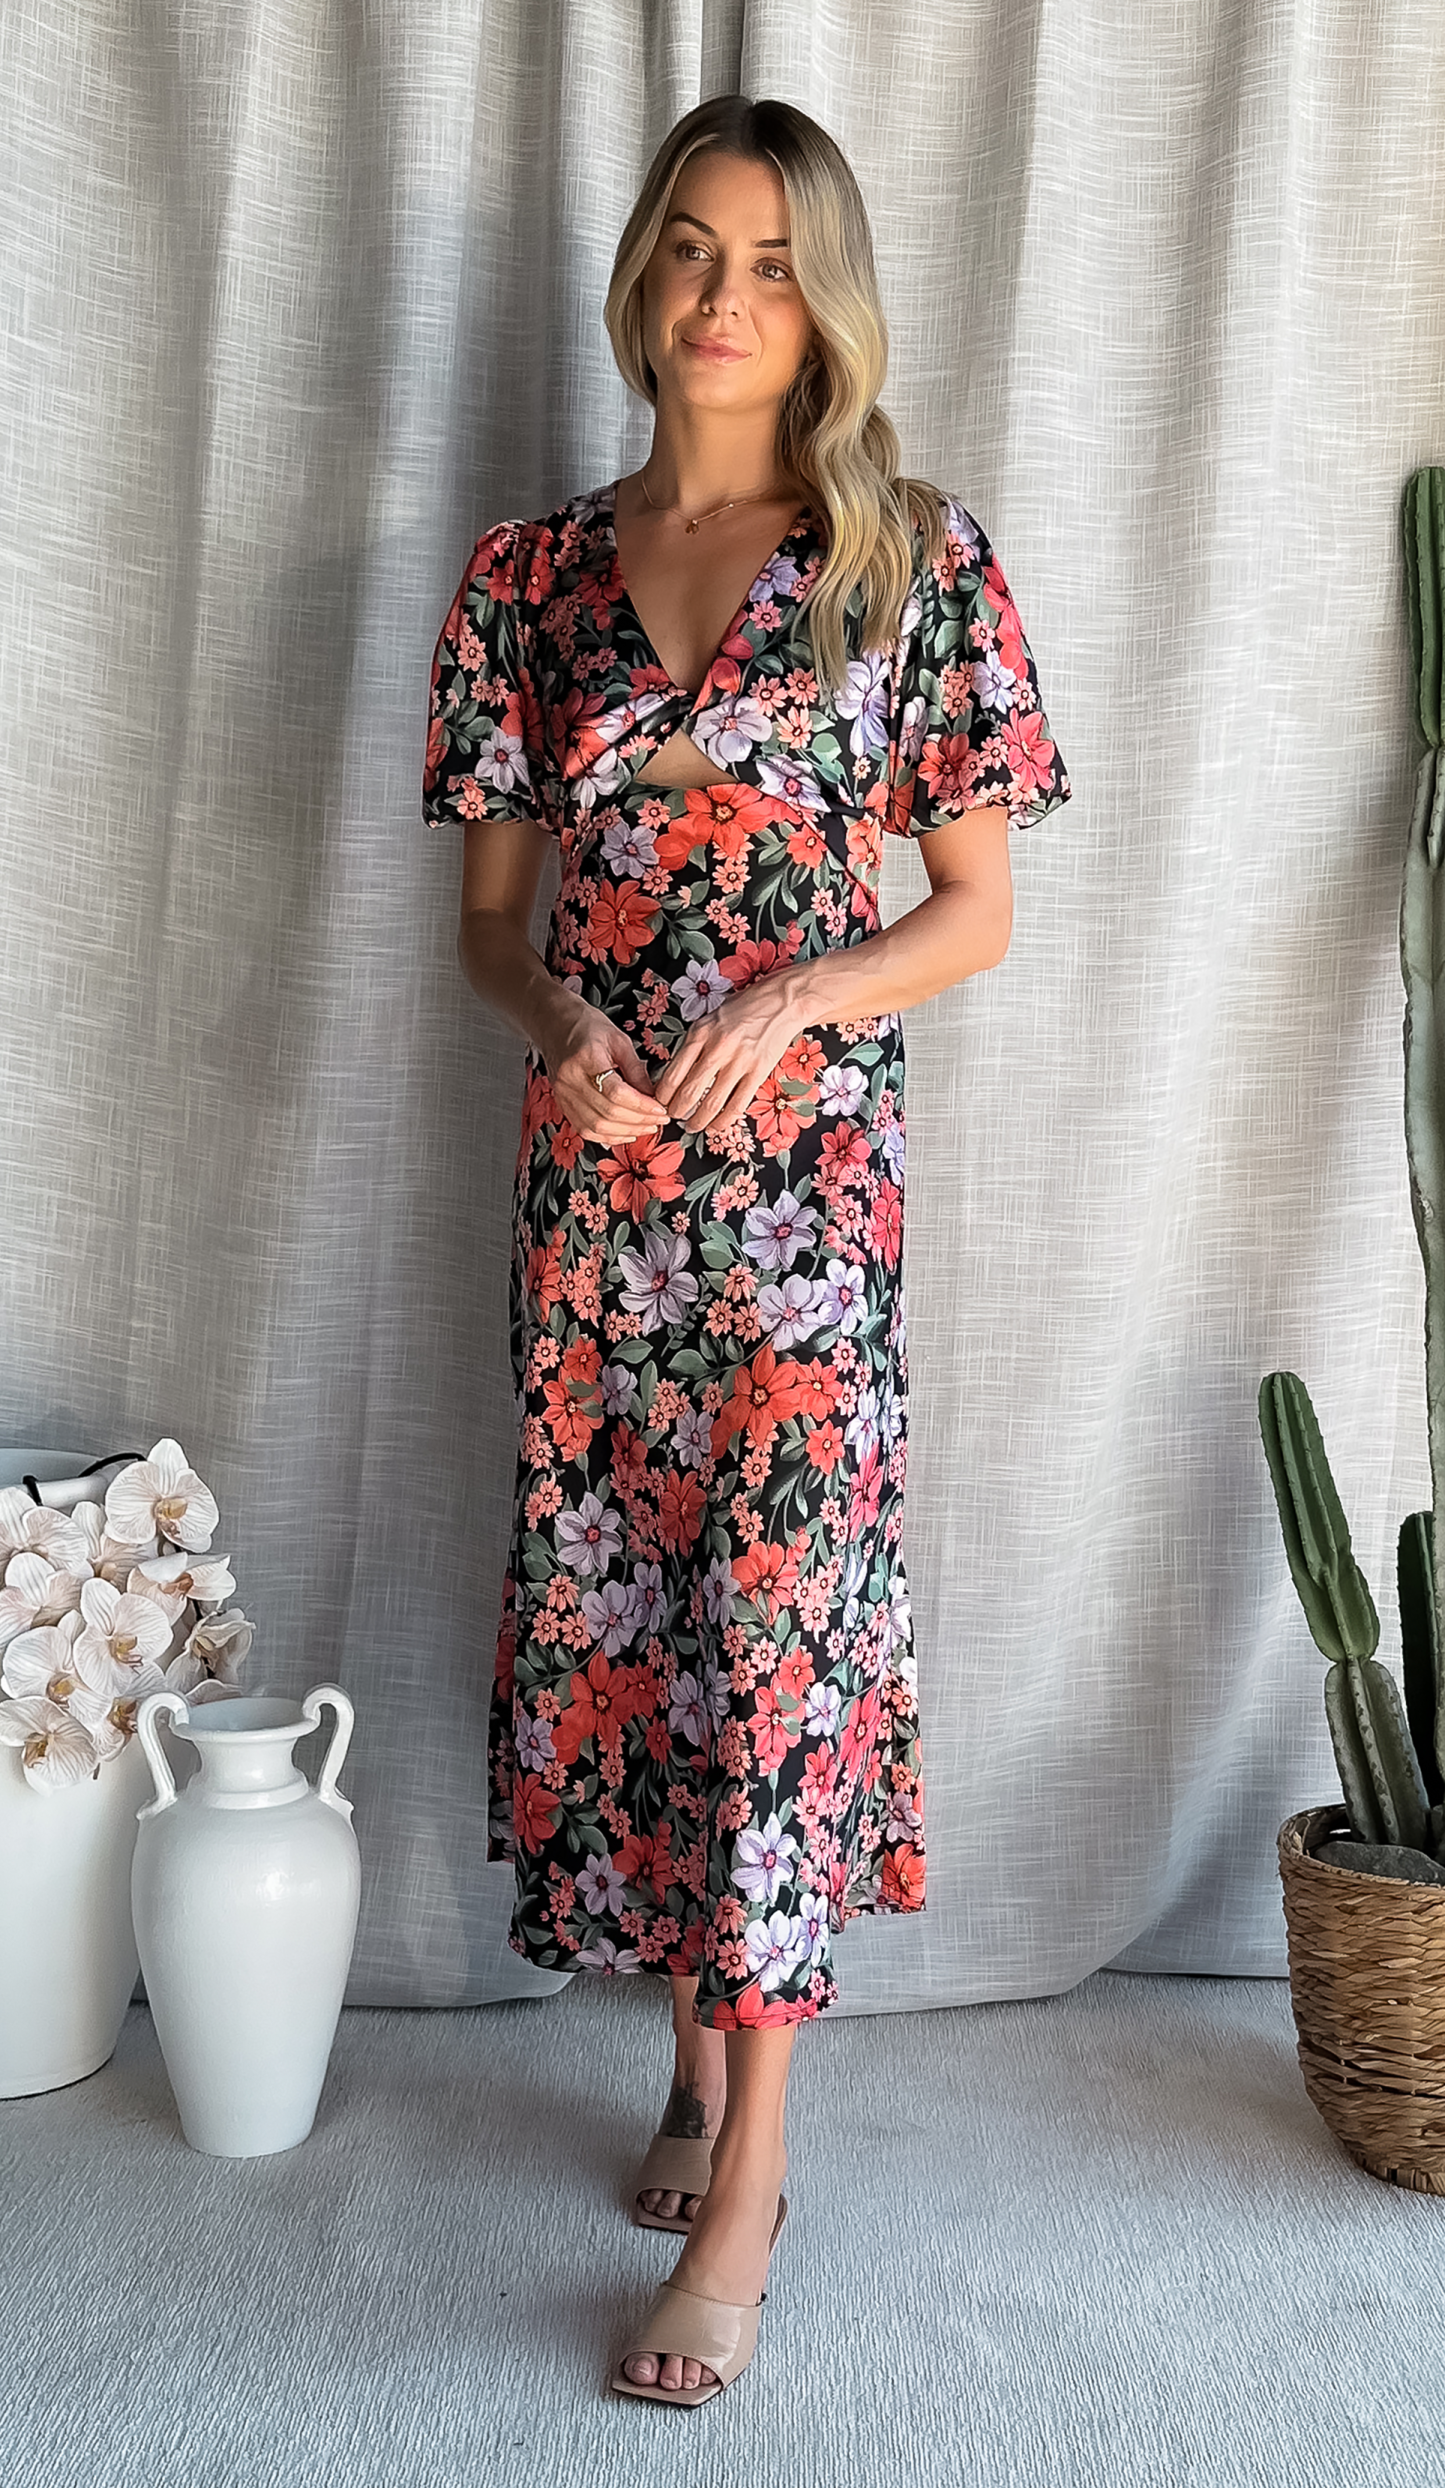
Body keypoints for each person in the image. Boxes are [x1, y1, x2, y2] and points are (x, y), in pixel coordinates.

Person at [423, 93, 1070, 2406]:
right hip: (597, 1197)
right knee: (634, 1618)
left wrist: (796, 996)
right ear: (641, 276)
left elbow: (972, 910)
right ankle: (686, 2061)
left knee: (776, 1635)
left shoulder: (908, 559)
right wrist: (568, 1028)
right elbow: (487, 929)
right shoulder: (524, 579)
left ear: (825, 306)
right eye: (693, 249)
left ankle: (752, 2174)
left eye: (774, 262)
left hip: (801, 1211)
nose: (723, 297)